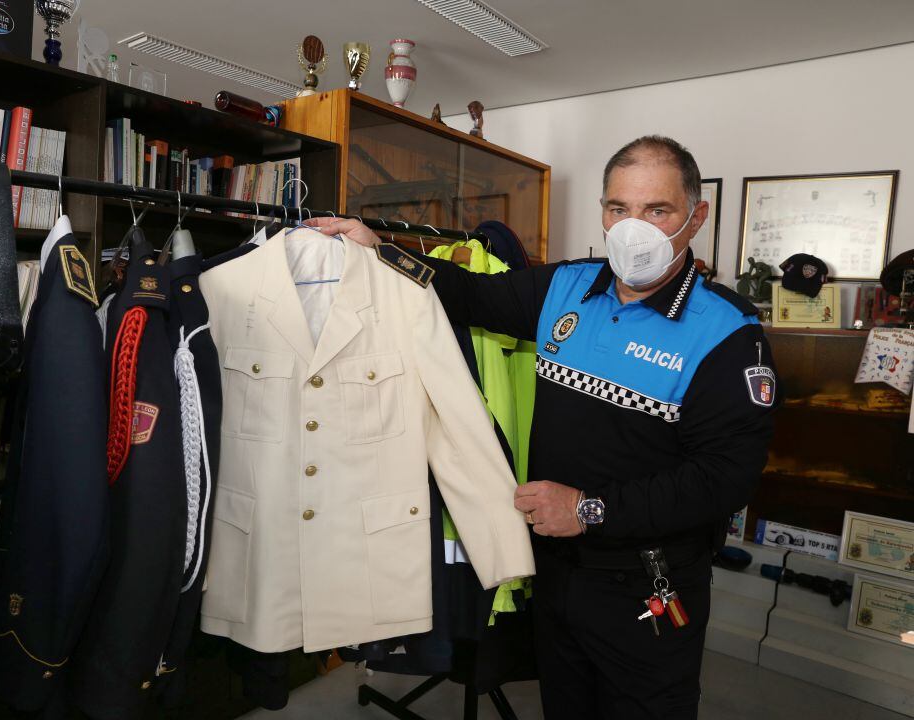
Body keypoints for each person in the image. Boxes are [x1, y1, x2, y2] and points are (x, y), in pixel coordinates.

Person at [310, 135, 778, 720]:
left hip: (647, 579)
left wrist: (587, 508)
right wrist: (382, 250)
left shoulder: (728, 332)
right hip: (555, 573)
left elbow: (724, 480)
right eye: (618, 209)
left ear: (695, 216)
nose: (635, 229)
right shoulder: (567, 285)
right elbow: (467, 294)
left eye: (657, 211)